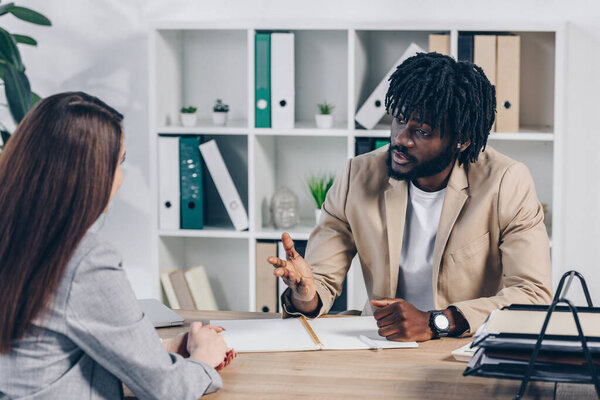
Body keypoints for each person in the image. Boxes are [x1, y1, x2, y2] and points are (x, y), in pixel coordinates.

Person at [269, 52, 552, 341]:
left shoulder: (506, 183)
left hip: (462, 345)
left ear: (461, 140)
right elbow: (320, 285)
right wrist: (304, 293)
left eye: (422, 131)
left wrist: (438, 322)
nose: (401, 138)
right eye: (400, 120)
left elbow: (533, 294)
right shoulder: (358, 176)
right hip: (381, 342)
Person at [0, 92, 234, 399]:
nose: (121, 177)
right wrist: (205, 358)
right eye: (119, 162)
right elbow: (166, 390)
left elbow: (48, 352)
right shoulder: (83, 260)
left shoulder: (14, 235)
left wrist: (160, 351)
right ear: (90, 173)